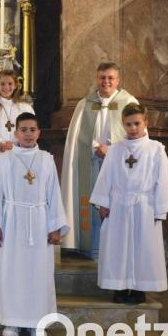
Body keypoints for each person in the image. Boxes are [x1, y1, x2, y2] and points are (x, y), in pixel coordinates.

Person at [0, 112, 69, 336]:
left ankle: (37, 321)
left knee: (38, 272)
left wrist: (55, 226)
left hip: (40, 221)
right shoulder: (5, 159)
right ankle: (12, 320)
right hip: (12, 220)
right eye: (24, 130)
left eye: (33, 130)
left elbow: (53, 193)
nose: (28, 134)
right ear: (16, 133)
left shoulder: (46, 159)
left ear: (39, 132)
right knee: (12, 270)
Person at [90, 103, 168, 305]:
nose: (133, 128)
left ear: (145, 122)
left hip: (145, 205)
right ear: (123, 124)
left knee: (143, 247)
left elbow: (163, 180)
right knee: (117, 246)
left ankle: (139, 288)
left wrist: (160, 209)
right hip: (119, 204)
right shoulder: (115, 150)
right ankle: (119, 287)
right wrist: (104, 202)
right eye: (128, 124)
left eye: (137, 123)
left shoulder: (155, 149)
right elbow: (106, 177)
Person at [61, 62, 138, 258]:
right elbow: (76, 140)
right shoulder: (85, 104)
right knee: (92, 202)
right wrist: (95, 147)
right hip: (92, 162)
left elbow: (137, 137)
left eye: (110, 78)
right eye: (102, 78)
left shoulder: (129, 103)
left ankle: (117, 250)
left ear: (118, 80)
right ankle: (91, 247)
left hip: (119, 166)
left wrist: (111, 150)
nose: (106, 82)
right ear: (97, 79)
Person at [0, 70, 34, 221]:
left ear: (16, 86)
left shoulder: (25, 108)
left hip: (20, 157)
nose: (6, 87)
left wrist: (20, 143)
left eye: (10, 84)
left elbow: (31, 129)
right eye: (2, 84)